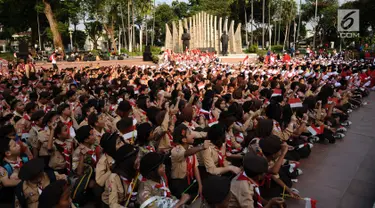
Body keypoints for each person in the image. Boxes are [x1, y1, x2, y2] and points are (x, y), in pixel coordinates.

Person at [170, 124, 209, 199]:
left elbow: (195, 167)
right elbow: (186, 153)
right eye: (190, 133)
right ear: (184, 140)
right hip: (179, 184)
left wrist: (200, 185)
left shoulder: (191, 148)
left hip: (190, 181)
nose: (193, 135)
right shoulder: (175, 150)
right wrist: (202, 147)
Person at [101, 143, 139, 208]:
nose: (138, 160)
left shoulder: (134, 172)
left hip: (126, 201)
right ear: (128, 162)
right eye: (136, 158)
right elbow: (113, 205)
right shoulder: (114, 178)